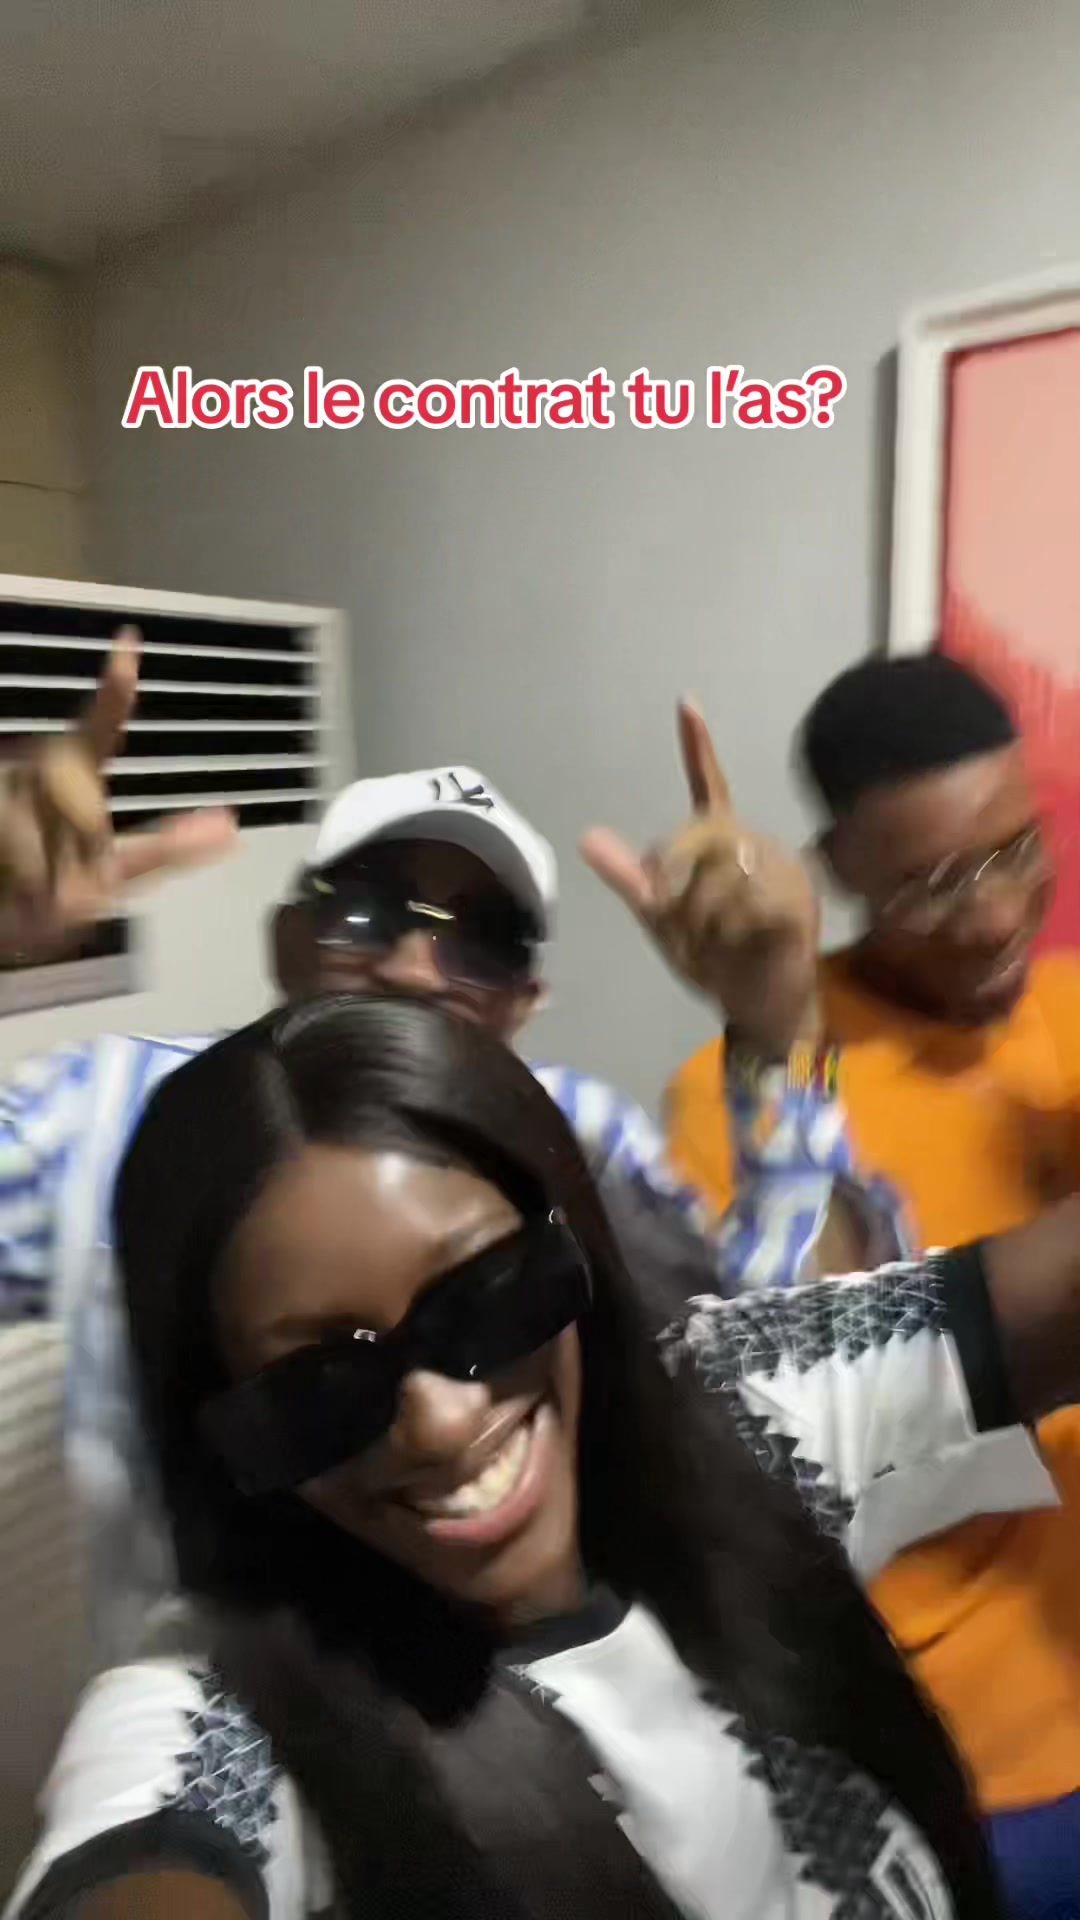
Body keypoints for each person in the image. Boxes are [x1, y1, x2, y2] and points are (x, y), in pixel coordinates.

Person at [29, 990, 1080, 1919]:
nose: (440, 1422)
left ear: (569, 1235)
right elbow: (143, 1851)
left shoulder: (732, 1409)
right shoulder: (231, 1708)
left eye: (487, 1296)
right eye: (318, 1388)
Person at [0, 637, 891, 1669]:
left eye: (485, 937)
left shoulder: (578, 1138)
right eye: (368, 911)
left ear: (524, 1001)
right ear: (286, 940)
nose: (420, 967)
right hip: (212, 1727)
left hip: (535, 1720)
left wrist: (780, 1038)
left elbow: (798, 1367)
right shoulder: (105, 1113)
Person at [660, 653, 1080, 1915]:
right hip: (964, 1760)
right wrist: (777, 1031)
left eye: (1017, 852)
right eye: (935, 884)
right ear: (839, 870)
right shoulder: (743, 1092)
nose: (995, 915)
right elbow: (806, 1399)